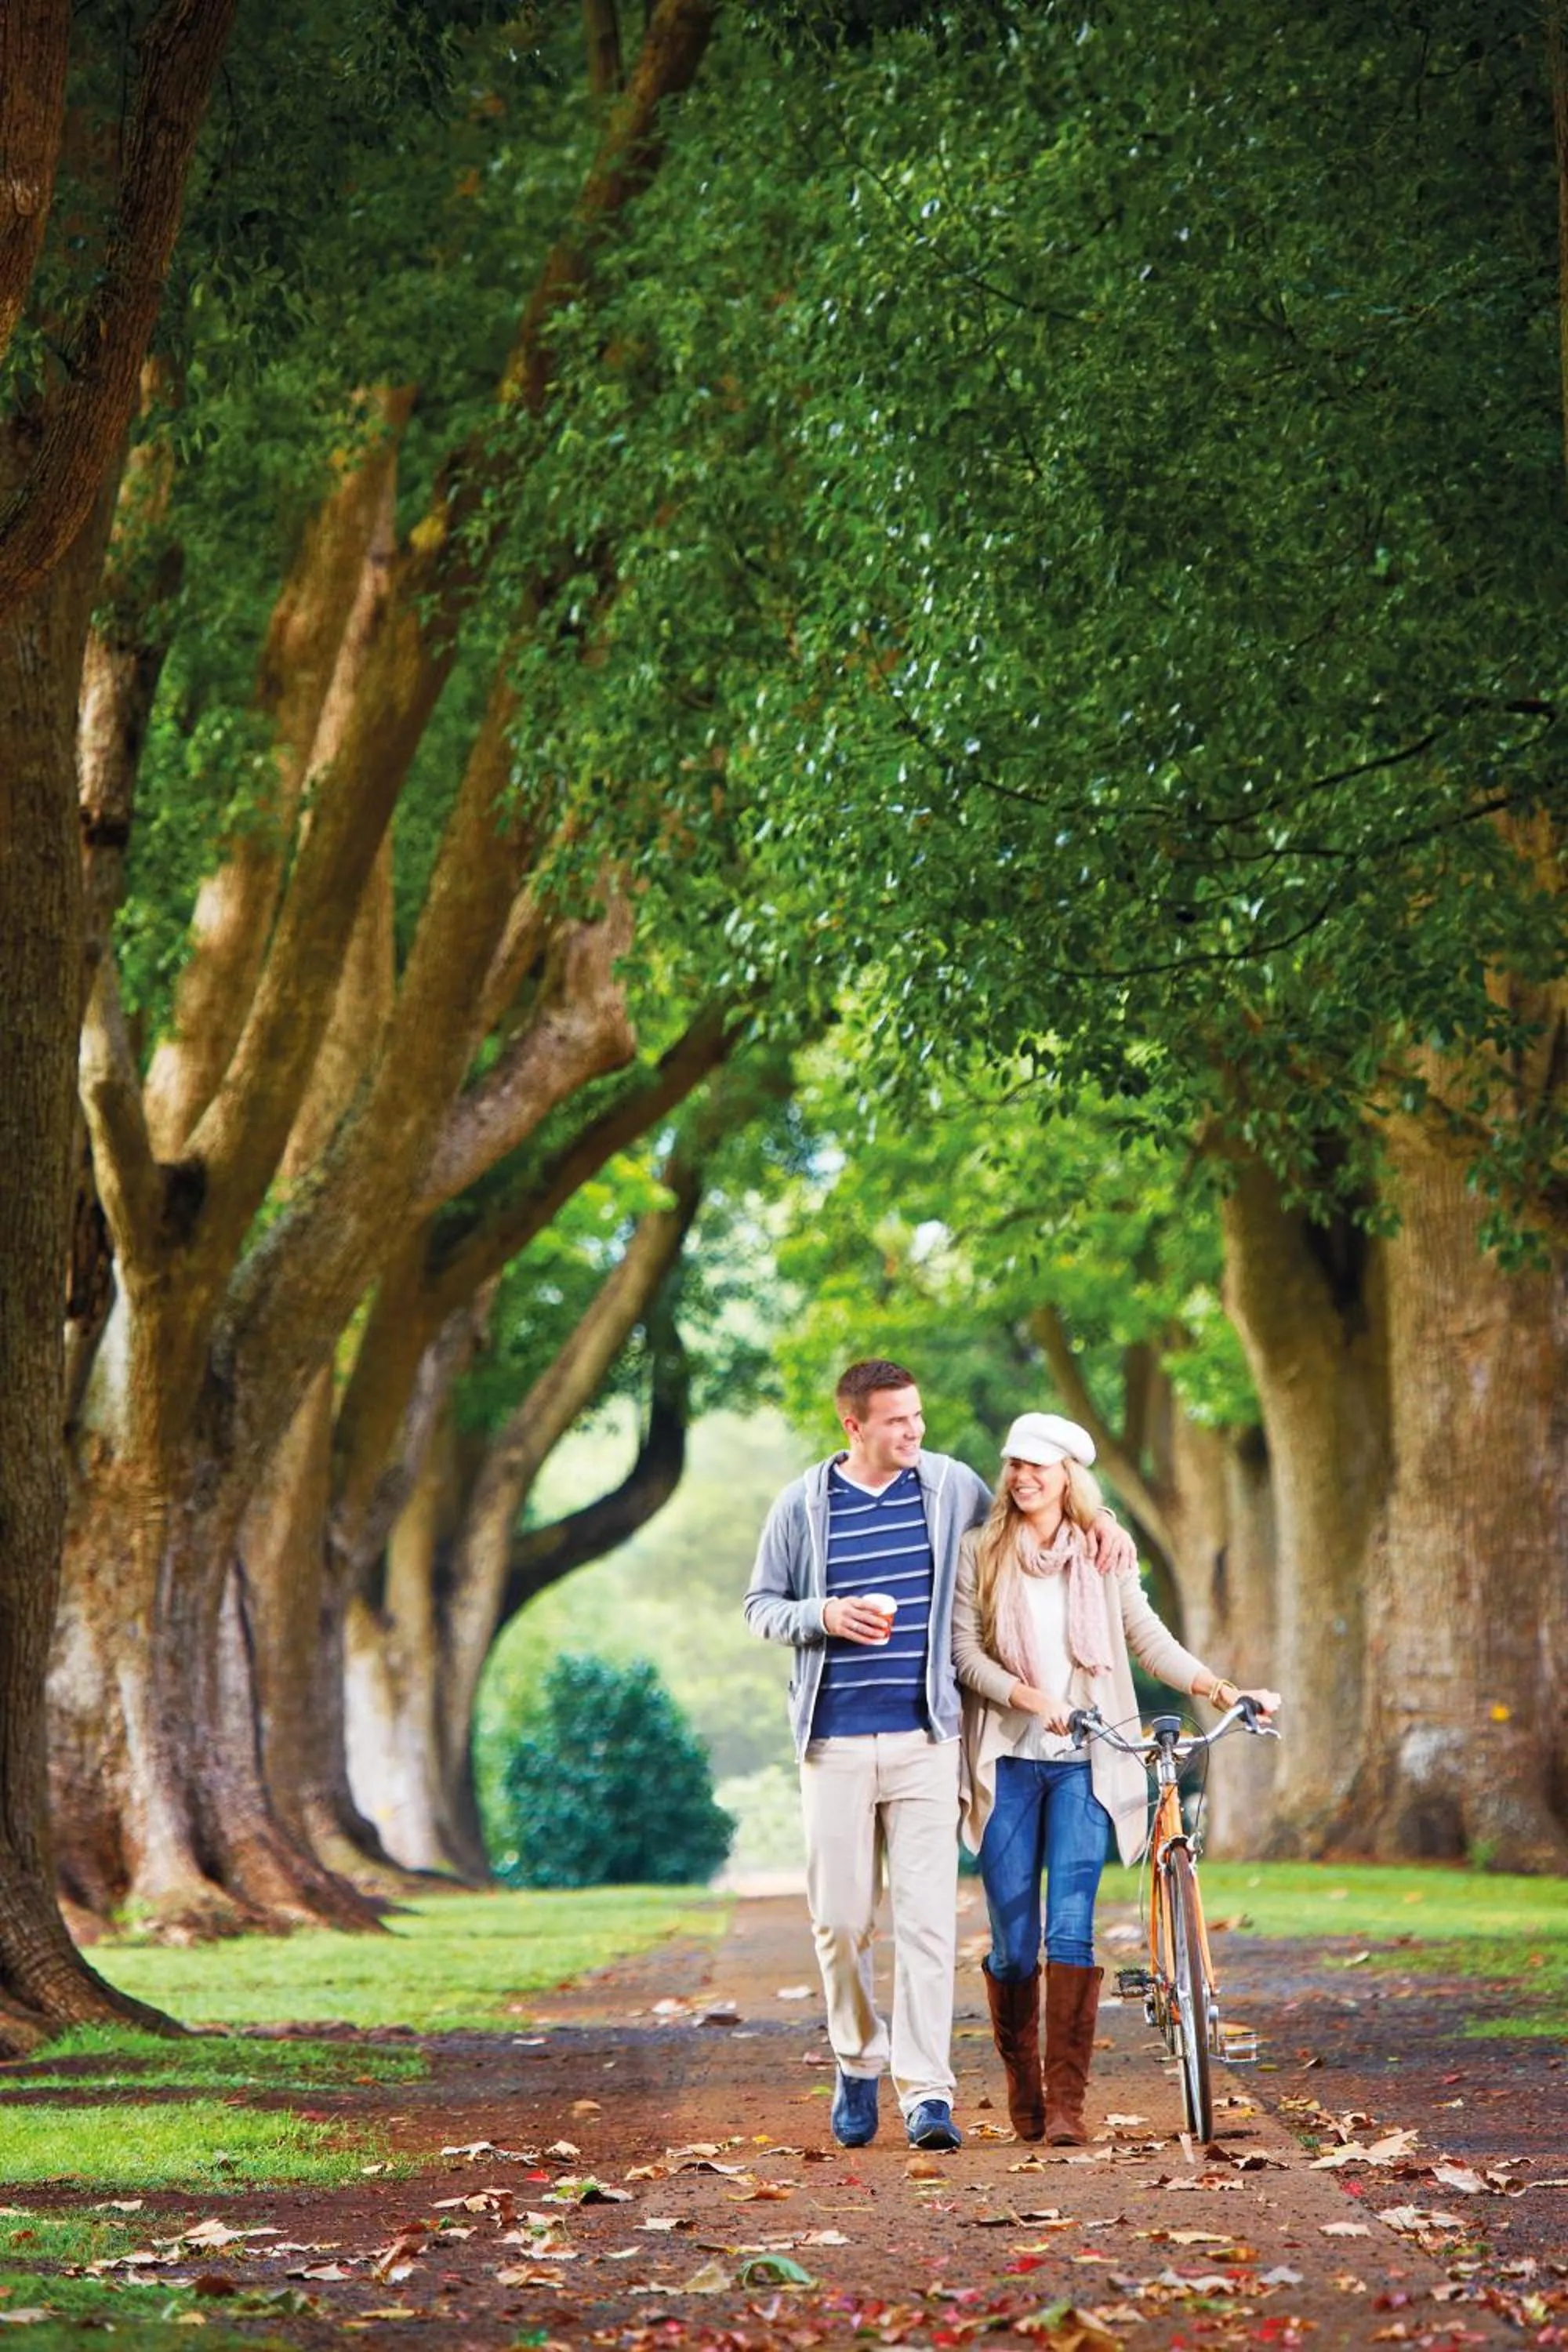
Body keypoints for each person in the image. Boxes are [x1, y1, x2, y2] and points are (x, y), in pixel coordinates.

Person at [953, 1410, 1281, 2148]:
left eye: (1039, 1465)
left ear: (1070, 1475)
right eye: (1014, 1464)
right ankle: (1024, 2091)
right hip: (1006, 1760)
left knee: (1072, 1928)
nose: (1023, 1476)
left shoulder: (1102, 1554)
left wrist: (1225, 1691)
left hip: (1088, 1764)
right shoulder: (981, 1552)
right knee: (1012, 1944)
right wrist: (1038, 1700)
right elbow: (964, 1656)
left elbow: (1147, 1638)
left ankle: (1067, 2106)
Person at [743, 1359, 991, 2152]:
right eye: (895, 1420)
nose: (913, 1431)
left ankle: (926, 2094)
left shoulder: (952, 1487)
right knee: (840, 1922)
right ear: (853, 1426)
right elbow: (760, 1607)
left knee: (927, 1926)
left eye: (916, 1416)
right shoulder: (802, 1504)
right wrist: (822, 1614)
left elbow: (1013, 1549)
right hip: (834, 1743)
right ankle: (856, 2059)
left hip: (926, 1741)